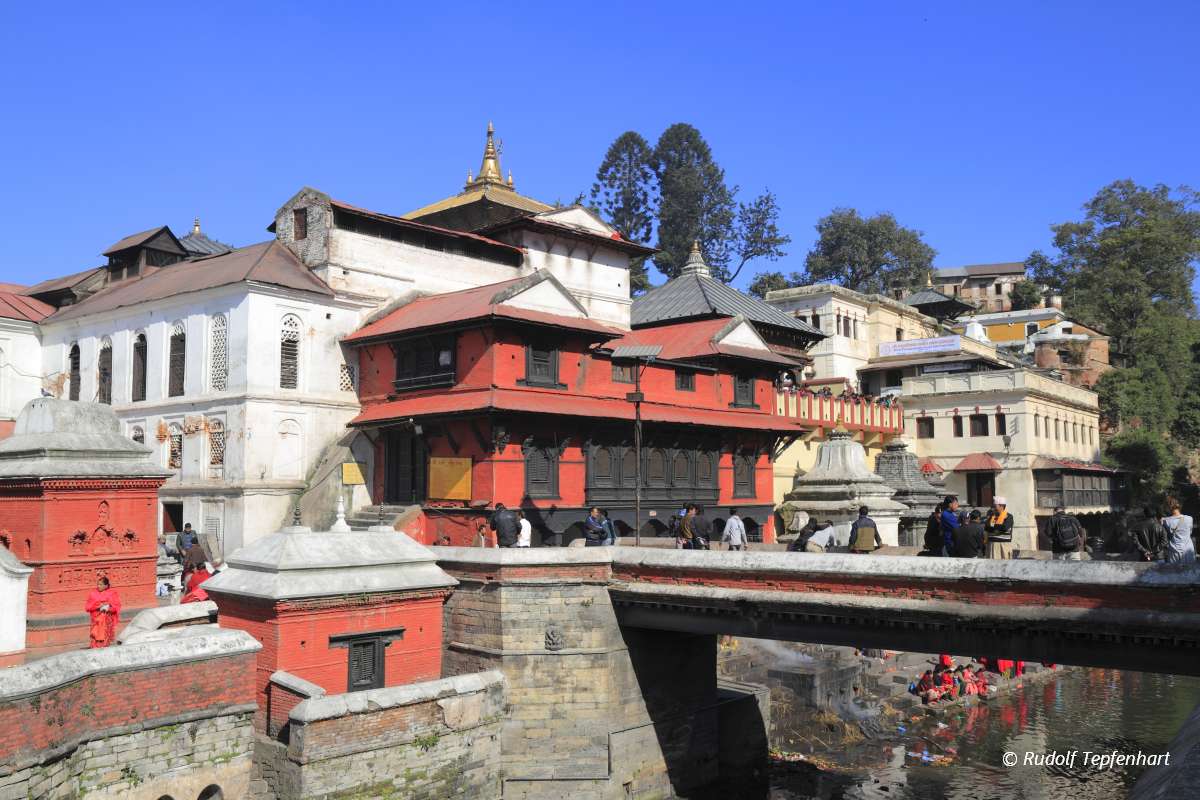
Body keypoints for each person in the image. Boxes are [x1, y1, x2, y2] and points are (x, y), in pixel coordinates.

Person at [85, 576, 121, 648]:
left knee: (104, 639)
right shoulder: (93, 594)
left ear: (106, 585)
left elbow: (116, 607)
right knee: (95, 636)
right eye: (98, 584)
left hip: (106, 621)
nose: (98, 586)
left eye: (101, 584)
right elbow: (88, 607)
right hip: (96, 620)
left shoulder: (112, 594)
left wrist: (108, 607)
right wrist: (98, 606)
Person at [1163, 498, 1196, 564]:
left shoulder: (1165, 521)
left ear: (1169, 508)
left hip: (1174, 550)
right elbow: (1190, 532)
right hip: (1188, 550)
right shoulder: (1189, 518)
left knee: (1174, 573)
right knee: (1190, 572)